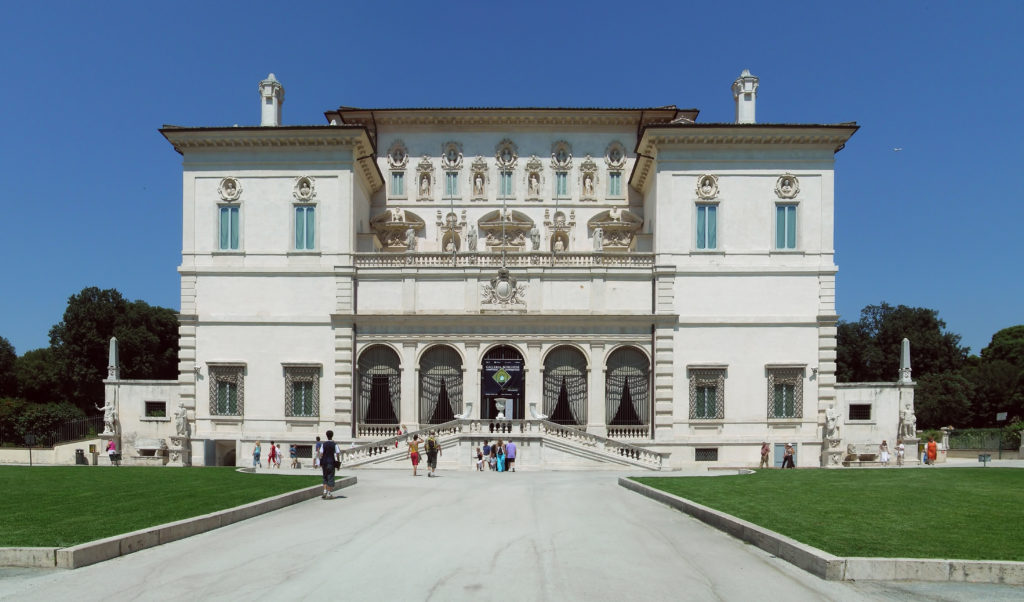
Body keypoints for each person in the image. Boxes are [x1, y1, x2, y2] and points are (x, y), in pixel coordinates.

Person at [319, 430, 340, 499]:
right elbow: (337, 453)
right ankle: (329, 493)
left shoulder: (323, 444)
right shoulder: (334, 444)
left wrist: (321, 461)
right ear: (332, 435)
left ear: (326, 436)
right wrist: (338, 462)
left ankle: (324, 491)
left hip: (324, 462)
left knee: (325, 477)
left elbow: (321, 453)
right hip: (331, 462)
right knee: (330, 477)